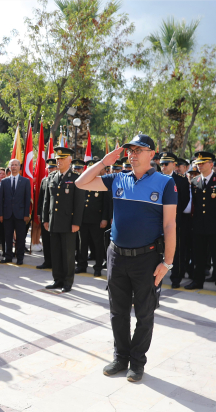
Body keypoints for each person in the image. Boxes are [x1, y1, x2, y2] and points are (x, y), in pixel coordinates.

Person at [76, 134, 177, 383]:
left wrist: (167, 263)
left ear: (151, 155)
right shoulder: (117, 178)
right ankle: (121, 357)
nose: (132, 154)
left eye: (138, 150)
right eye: (130, 150)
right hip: (117, 256)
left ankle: (137, 361)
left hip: (147, 258)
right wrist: (104, 161)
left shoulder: (165, 184)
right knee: (117, 312)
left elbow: (170, 225)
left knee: (144, 313)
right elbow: (81, 183)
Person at [182, 152, 216, 294]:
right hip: (199, 225)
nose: (199, 166)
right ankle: (198, 281)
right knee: (199, 256)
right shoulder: (195, 181)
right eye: (198, 163)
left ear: (211, 164)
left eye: (202, 163)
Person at [42, 147, 85, 291]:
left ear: (69, 160)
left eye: (62, 159)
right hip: (54, 222)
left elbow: (79, 204)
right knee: (55, 253)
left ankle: (67, 282)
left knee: (67, 254)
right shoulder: (52, 177)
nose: (58, 161)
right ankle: (57, 280)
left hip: (68, 223)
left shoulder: (75, 178)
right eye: (57, 159)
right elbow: (47, 200)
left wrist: (76, 223)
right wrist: (45, 219)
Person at [75, 159, 111, 277]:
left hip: (97, 220)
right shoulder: (84, 183)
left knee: (98, 244)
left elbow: (106, 204)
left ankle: (98, 267)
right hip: (83, 219)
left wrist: (105, 218)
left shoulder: (102, 182)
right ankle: (82, 265)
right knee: (82, 244)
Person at [159, 153, 191, 288]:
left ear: (173, 165)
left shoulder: (181, 180)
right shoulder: (154, 178)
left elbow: (184, 200)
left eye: (166, 164)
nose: (163, 167)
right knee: (156, 248)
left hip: (175, 220)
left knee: (176, 249)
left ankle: (176, 277)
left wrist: (172, 214)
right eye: (161, 164)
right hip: (157, 219)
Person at [0, 159, 31, 265]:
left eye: (16, 165)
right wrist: (0, 214)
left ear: (19, 167)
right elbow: (1, 199)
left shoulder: (25, 181)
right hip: (7, 214)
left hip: (20, 214)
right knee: (7, 236)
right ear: (9, 167)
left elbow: (27, 199)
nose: (14, 167)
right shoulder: (4, 181)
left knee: (20, 237)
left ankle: (20, 257)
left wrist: (27, 214)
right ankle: (8, 256)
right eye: (12, 165)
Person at [36, 159, 58, 269]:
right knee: (46, 239)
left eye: (53, 167)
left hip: (56, 215)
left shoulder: (60, 180)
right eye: (49, 168)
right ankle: (47, 261)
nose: (51, 170)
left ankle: (56, 263)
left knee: (55, 241)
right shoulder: (44, 180)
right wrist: (39, 214)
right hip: (46, 215)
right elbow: (41, 199)